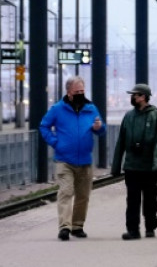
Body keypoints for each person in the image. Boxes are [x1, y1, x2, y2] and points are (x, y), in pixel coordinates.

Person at [39, 76, 107, 241]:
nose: (80, 94)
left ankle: (77, 226)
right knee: (66, 192)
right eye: (77, 92)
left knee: (83, 195)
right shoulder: (57, 109)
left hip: (85, 160)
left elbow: (101, 129)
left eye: (82, 91)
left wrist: (99, 128)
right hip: (64, 160)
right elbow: (44, 126)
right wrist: (56, 142)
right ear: (68, 92)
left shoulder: (91, 108)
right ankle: (64, 227)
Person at [111, 83, 157, 240]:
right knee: (132, 200)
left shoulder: (156, 116)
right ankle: (133, 230)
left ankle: (150, 226)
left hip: (149, 167)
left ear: (143, 96)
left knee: (150, 199)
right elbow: (121, 142)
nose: (132, 97)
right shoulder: (129, 117)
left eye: (134, 95)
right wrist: (116, 167)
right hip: (132, 166)